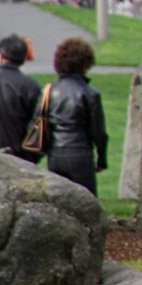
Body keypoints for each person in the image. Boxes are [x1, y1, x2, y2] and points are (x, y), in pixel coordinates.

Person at [44, 38, 107, 194]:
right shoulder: (90, 94)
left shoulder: (49, 91)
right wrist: (101, 159)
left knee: (58, 203)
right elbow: (98, 132)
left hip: (55, 153)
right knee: (87, 202)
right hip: (80, 153)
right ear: (86, 64)